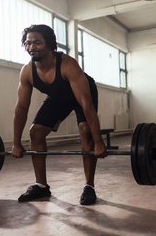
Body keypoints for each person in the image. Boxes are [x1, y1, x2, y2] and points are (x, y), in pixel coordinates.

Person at [11, 24, 107, 205]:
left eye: (37, 42)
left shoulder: (67, 64)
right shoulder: (27, 71)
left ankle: (89, 186)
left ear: (49, 44)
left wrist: (99, 141)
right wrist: (16, 143)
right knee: (36, 132)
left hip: (83, 94)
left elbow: (86, 104)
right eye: (28, 43)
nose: (31, 47)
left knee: (85, 130)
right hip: (59, 96)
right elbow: (21, 109)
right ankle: (41, 186)